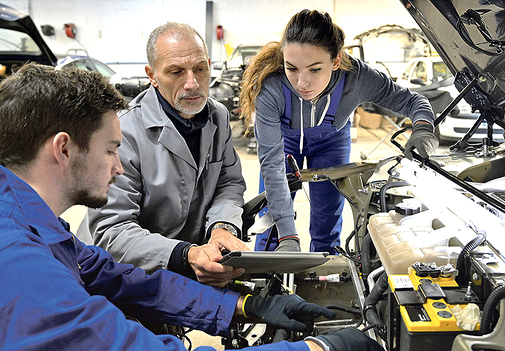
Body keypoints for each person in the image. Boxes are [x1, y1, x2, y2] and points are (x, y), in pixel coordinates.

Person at [0, 62, 384, 351]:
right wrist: (317, 348)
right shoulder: (21, 267)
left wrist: (247, 305)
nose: (118, 167)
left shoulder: (35, 223)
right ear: (63, 149)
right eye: (111, 150)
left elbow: (125, 281)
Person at [240, 9, 439, 253]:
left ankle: (324, 275)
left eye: (314, 70)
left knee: (327, 222)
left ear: (335, 61)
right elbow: (273, 167)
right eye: (292, 68)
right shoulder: (271, 87)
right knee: (272, 224)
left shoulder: (358, 78)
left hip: (331, 143)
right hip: (284, 142)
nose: (302, 82)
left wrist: (423, 128)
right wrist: (288, 235)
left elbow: (413, 101)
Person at [77, 22, 250, 287]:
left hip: (187, 260)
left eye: (200, 69)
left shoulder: (219, 116)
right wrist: (184, 254)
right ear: (152, 75)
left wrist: (222, 227)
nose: (192, 83)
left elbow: (229, 183)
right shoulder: (123, 132)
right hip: (116, 273)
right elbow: (112, 230)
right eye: (176, 72)